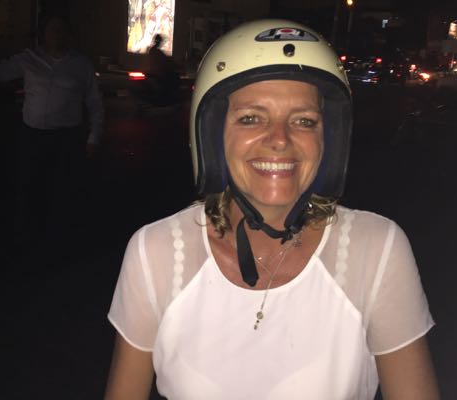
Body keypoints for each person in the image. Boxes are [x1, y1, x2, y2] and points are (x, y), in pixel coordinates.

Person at [104, 20, 439, 399]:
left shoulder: (376, 250)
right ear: (213, 135)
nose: (280, 139)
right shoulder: (156, 252)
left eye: (304, 121)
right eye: (251, 118)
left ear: (328, 140)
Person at [0, 13, 104, 243]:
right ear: (44, 34)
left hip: (66, 138)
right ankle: (26, 236)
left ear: (69, 34)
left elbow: (95, 102)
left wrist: (94, 137)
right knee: (29, 184)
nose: (56, 34)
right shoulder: (29, 59)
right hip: (33, 135)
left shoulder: (81, 65)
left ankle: (59, 236)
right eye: (52, 29)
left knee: (62, 186)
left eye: (61, 29)